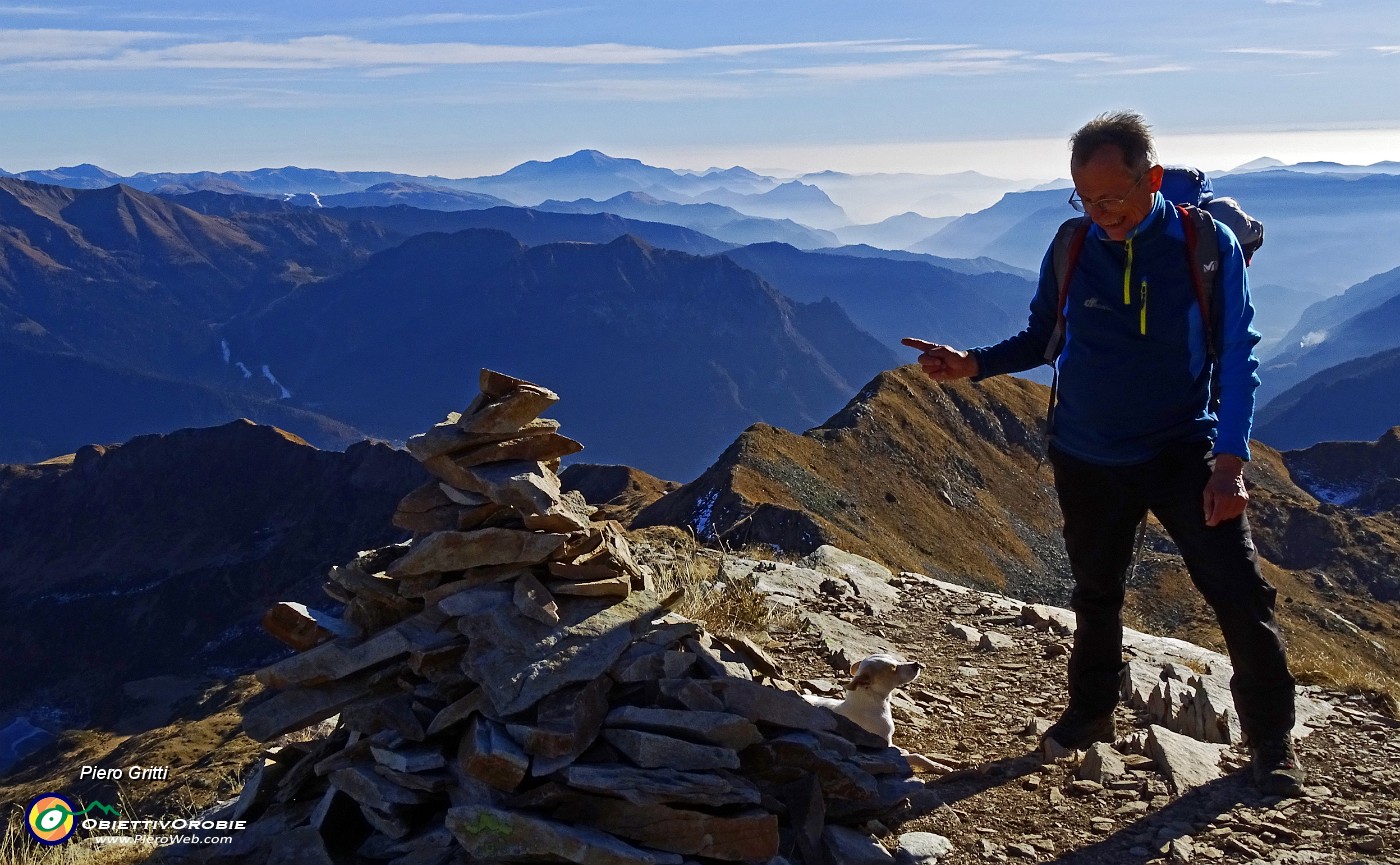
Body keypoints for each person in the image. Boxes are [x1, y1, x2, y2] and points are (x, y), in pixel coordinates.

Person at [903, 111, 1305, 797]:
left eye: (1112, 198)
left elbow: (1238, 353)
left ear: (1151, 179)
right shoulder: (1071, 244)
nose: (1099, 213)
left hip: (1184, 450)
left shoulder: (1205, 246)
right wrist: (971, 364)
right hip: (1086, 454)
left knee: (1239, 593)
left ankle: (1273, 741)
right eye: (1084, 200)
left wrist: (1231, 462)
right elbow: (1041, 337)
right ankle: (1091, 714)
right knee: (1097, 592)